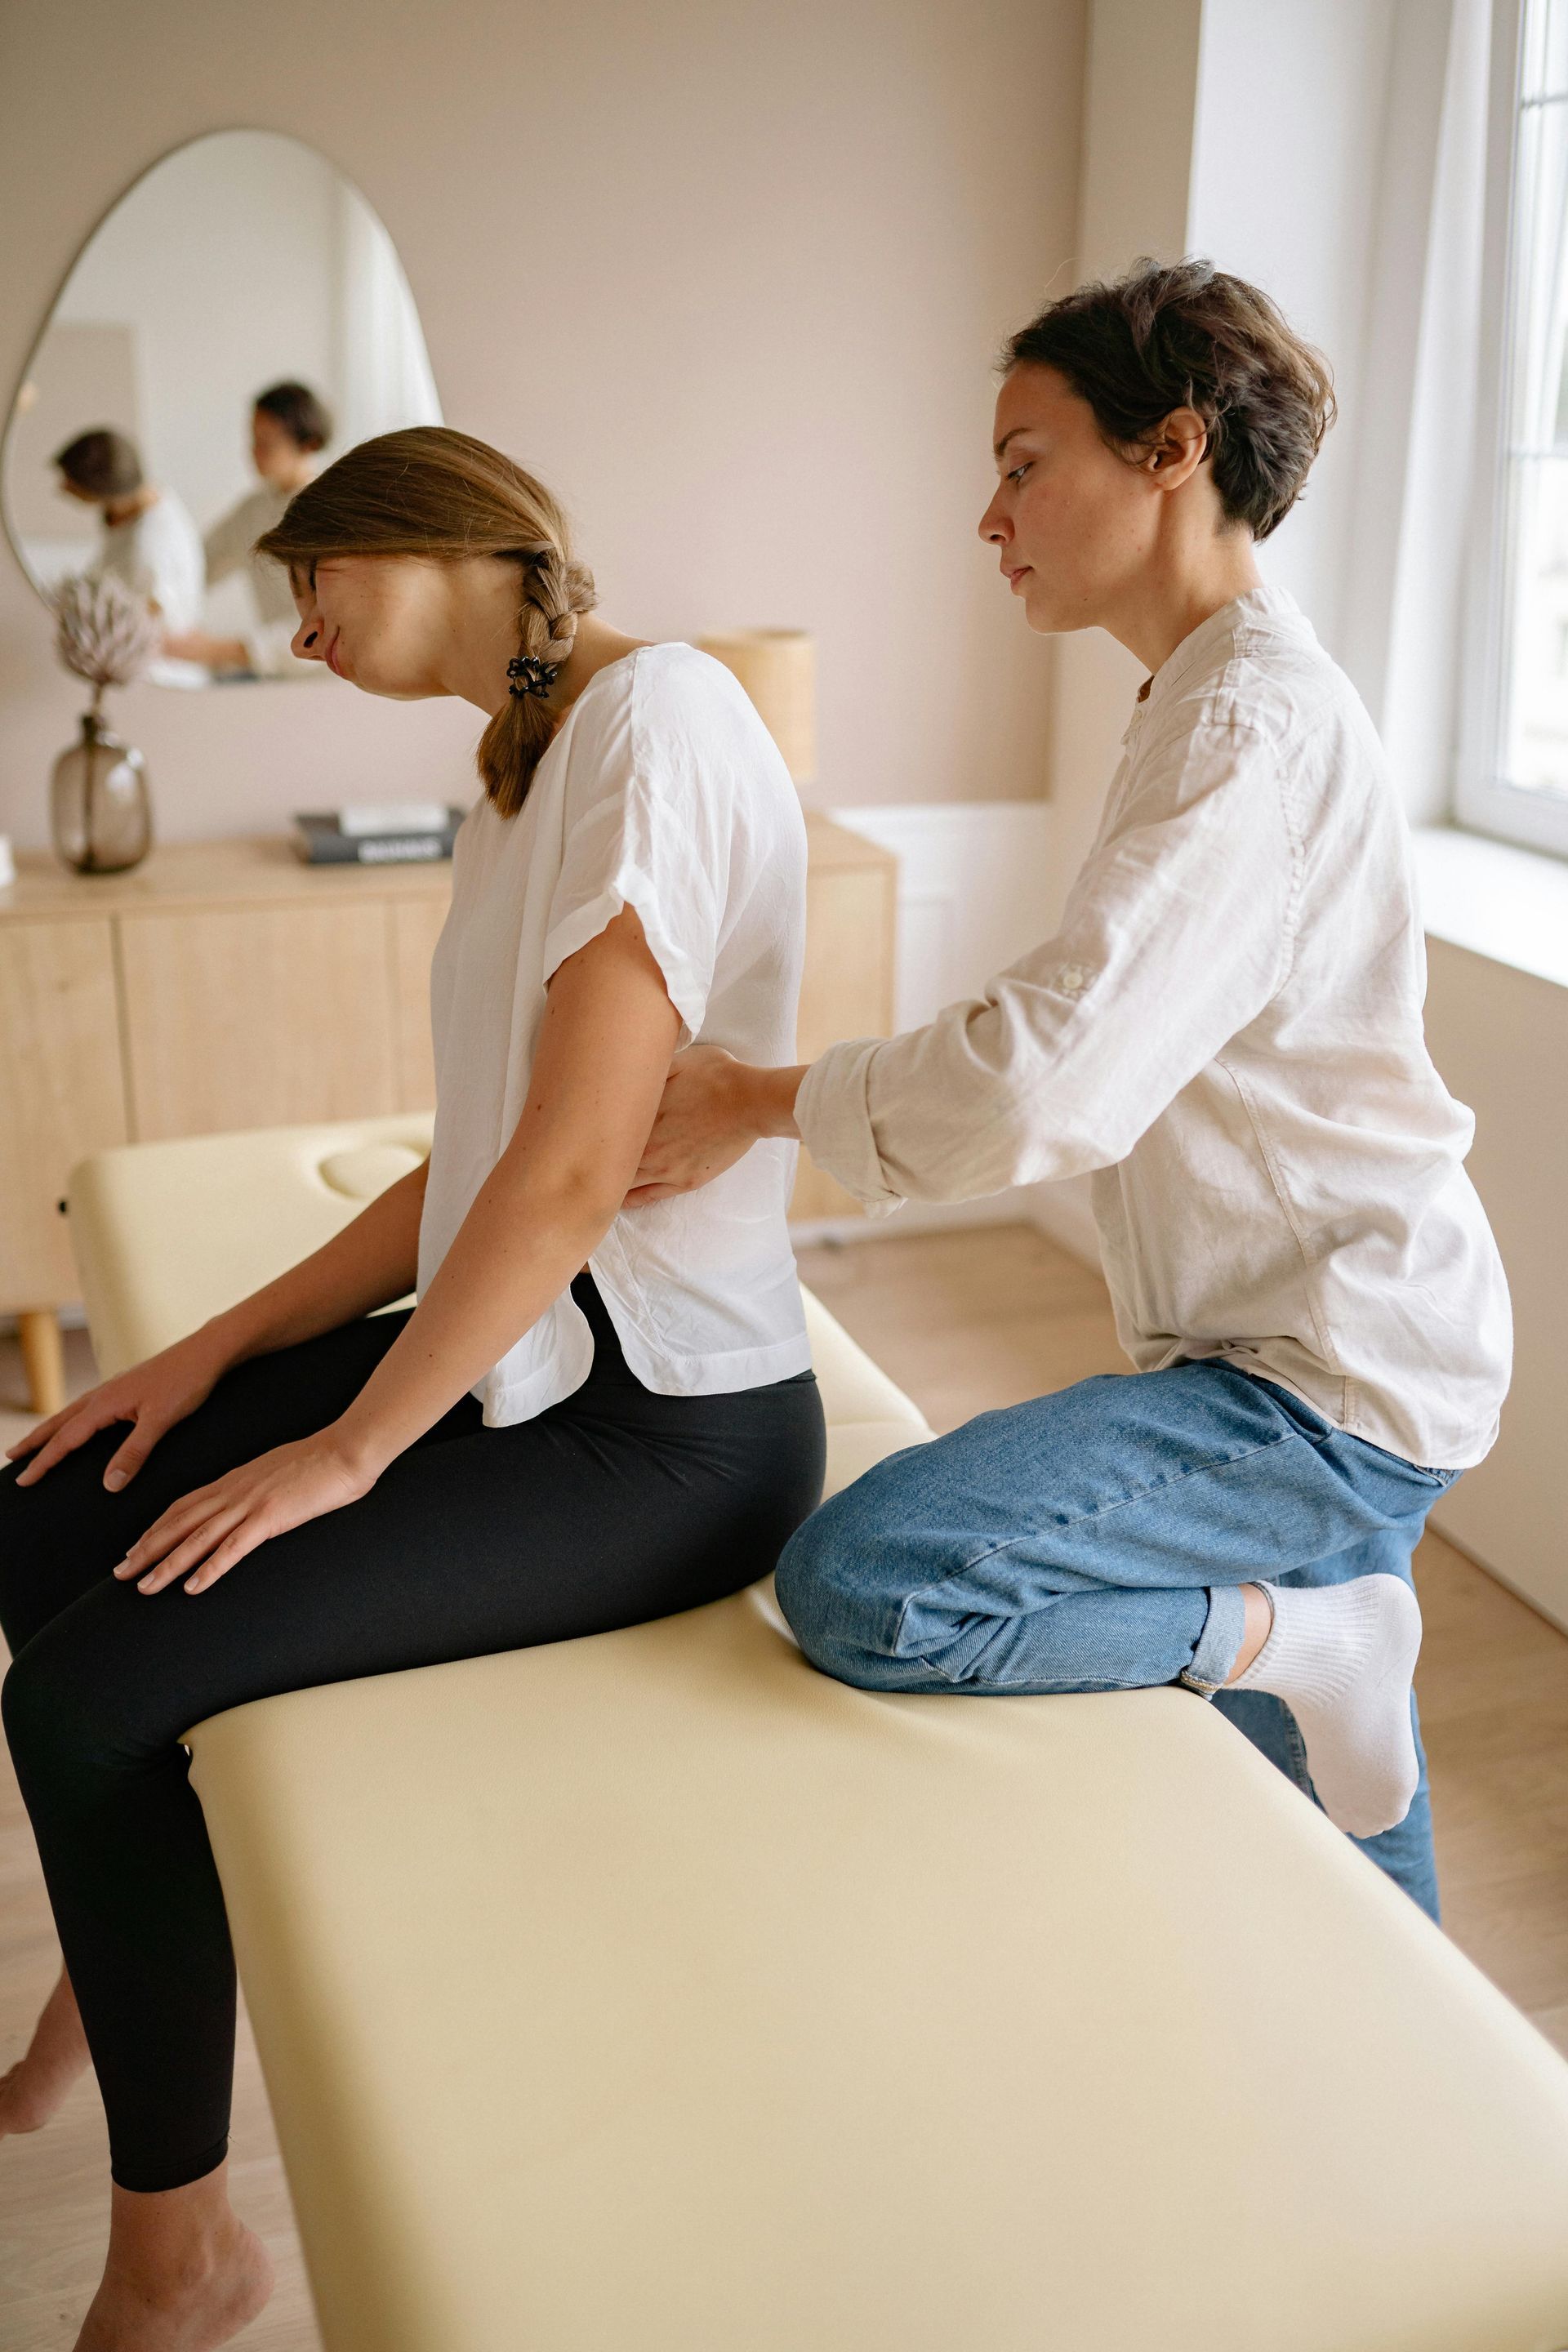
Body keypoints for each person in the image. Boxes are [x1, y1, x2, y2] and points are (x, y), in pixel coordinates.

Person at [0, 425, 825, 2352]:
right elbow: (470, 1165)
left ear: (429, 537)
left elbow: (566, 1174)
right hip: (529, 1355)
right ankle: (109, 1977)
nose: (299, 632)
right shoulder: (525, 775)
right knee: (42, 1500)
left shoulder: (661, 721)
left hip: (664, 1425)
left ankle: (179, 2255)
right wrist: (210, 1353)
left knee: (101, 1678)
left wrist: (346, 1449)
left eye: (312, 583)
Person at [631, 257, 1512, 1920]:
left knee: (871, 1582)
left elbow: (1047, 1078)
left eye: (1025, 461)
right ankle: (1428, 2106)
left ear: (1172, 448)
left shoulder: (1247, 729)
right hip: (1325, 1338)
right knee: (1333, 1776)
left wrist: (753, 1099)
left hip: (1326, 1373)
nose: (991, 515)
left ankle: (1316, 1650)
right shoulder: (1207, 701)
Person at [163, 381, 335, 678]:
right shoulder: (253, 510)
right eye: (253, 440)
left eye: (266, 443)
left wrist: (214, 650)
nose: (254, 453)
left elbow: (328, 626)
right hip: (274, 681)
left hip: (323, 681)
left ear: (307, 444)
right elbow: (198, 563)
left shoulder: (329, 514)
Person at [55, 427, 206, 684]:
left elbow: (148, 623)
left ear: (99, 489)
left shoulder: (150, 546)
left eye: (71, 483)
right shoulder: (151, 502)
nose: (63, 489)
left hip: (157, 679)